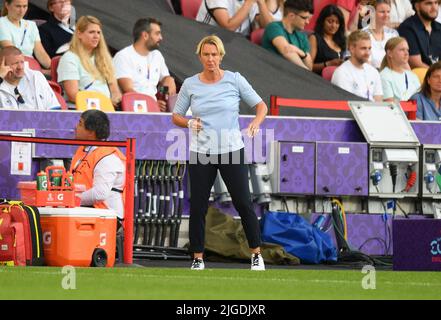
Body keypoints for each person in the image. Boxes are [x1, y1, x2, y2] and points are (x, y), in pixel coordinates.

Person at [172, 35, 267, 271]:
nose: (211, 58)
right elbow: (176, 115)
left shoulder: (235, 80)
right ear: (200, 56)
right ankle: (197, 258)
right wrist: (188, 123)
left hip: (231, 150)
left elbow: (261, 105)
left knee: (244, 203)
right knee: (198, 207)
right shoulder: (191, 84)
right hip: (201, 151)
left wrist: (256, 122)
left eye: (214, 54)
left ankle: (256, 254)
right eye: (206, 54)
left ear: (221, 56)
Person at [70, 109, 126, 223]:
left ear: (91, 132)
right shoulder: (82, 150)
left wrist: (70, 199)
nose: (76, 127)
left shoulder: (108, 157)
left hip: (107, 215)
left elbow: (100, 194)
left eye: (80, 124)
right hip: (86, 209)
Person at [113, 18, 176, 112]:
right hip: (133, 111)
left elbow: (165, 78)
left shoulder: (157, 55)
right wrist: (151, 104)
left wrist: (169, 80)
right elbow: (128, 91)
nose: (161, 38)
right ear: (145, 35)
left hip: (154, 109)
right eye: (157, 33)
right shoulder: (123, 56)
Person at [57, 16, 121, 107]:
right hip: (81, 110)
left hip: (106, 108)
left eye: (98, 33)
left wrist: (115, 98)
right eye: (91, 32)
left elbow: (115, 91)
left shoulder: (105, 58)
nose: (96, 36)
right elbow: (72, 95)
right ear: (79, 34)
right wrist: (101, 103)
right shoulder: (69, 58)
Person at [331, 30, 384, 101]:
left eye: (369, 48)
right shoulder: (342, 73)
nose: (368, 53)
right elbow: (345, 103)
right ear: (352, 49)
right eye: (363, 48)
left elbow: (378, 100)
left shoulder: (373, 71)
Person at [262, 0, 314, 70]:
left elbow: (310, 66)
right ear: (291, 16)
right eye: (304, 18)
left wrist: (301, 53)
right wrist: (306, 71)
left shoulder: (303, 36)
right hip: (270, 70)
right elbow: (286, 50)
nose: (307, 22)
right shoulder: (274, 27)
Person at [0, 0, 51, 69]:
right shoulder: (2, 23)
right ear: (7, 5)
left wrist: (53, 69)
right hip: (13, 68)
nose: (22, 10)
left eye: (25, 6)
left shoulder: (31, 25)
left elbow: (40, 52)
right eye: (18, 6)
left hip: (32, 66)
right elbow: (12, 53)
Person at [398, 0, 441, 68]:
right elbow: (415, 63)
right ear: (417, 6)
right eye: (429, 3)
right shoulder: (407, 28)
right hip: (420, 75)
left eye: (436, 3)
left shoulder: (439, 27)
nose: (434, 7)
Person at [195, 0, 273, 37]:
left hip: (237, 47)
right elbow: (229, 27)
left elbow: (271, 26)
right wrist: (249, 3)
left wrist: (261, 3)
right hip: (207, 39)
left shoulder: (252, 3)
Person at [380, 37, 420, 102]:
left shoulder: (412, 76)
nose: (406, 53)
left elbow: (421, 100)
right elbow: (391, 105)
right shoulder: (384, 76)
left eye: (407, 50)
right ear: (390, 53)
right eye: (402, 50)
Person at [308, 4, 346, 75]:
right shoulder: (314, 38)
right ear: (322, 21)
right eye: (330, 21)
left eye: (337, 23)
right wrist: (328, 64)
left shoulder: (341, 41)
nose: (333, 26)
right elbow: (308, 66)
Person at [363, 0, 399, 69]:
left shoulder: (393, 34)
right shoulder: (363, 35)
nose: (386, 15)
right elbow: (365, 66)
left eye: (388, 12)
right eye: (382, 12)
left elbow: (400, 60)